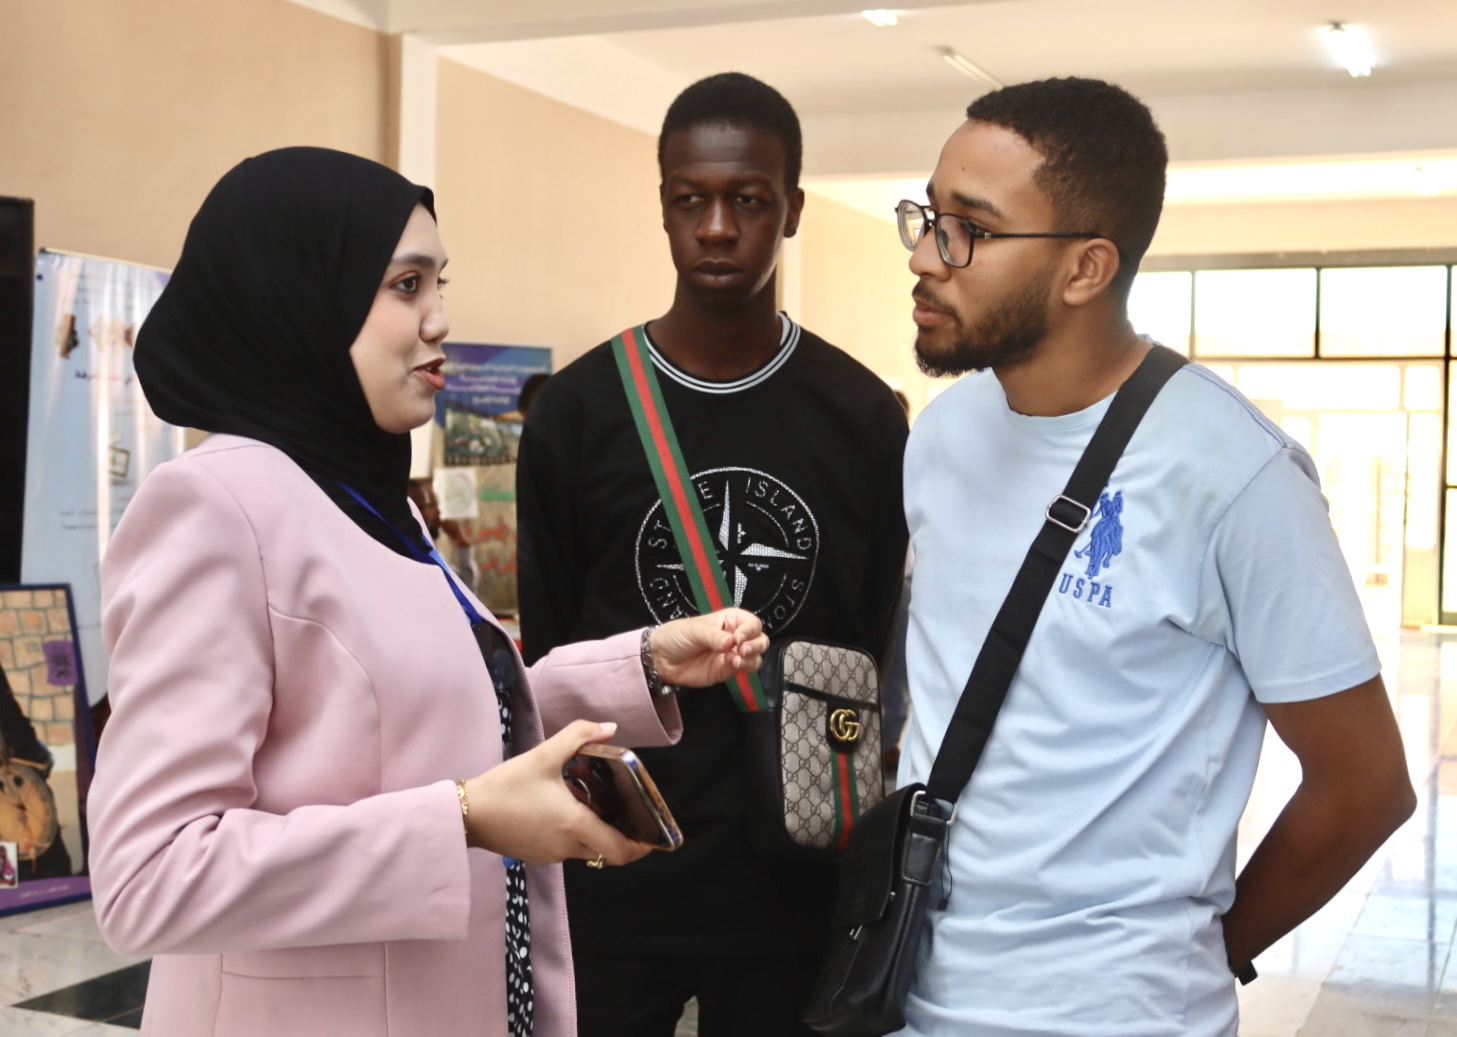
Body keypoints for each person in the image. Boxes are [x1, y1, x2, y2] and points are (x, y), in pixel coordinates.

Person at [85, 146, 769, 1037]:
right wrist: (464, 820)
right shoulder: (216, 506)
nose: (440, 318)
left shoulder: (359, 495)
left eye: (438, 282)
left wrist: (638, 665)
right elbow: (151, 877)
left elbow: (415, 715)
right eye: (405, 285)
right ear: (302, 294)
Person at [892, 76, 1415, 1037]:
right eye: (926, 214)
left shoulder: (1234, 474)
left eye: (969, 226)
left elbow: (1366, 785)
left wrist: (1194, 957)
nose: (926, 255)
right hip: (909, 993)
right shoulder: (942, 433)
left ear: (1085, 268)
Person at [515, 72, 909, 1037]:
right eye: (692, 200)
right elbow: (552, 653)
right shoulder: (577, 413)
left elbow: (866, 647)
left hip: (796, 880)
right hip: (617, 861)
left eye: (749, 199)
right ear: (663, 208)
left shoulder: (859, 415)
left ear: (792, 209)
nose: (720, 227)